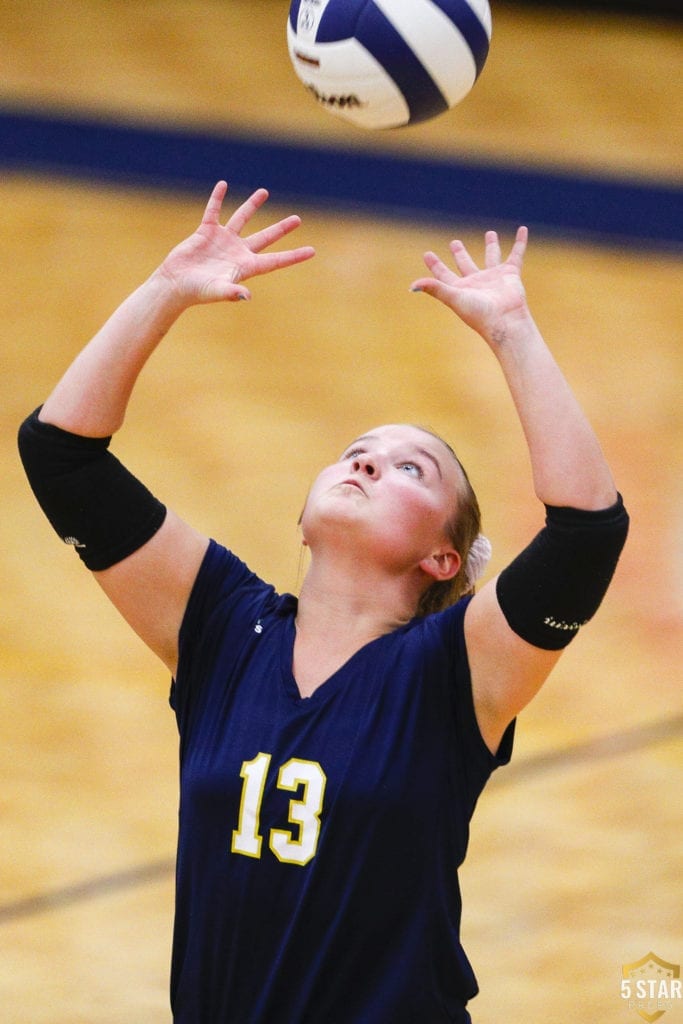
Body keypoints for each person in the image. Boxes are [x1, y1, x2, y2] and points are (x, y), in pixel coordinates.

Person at [18, 180, 628, 1023]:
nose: (369, 463)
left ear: (441, 555)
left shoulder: (451, 674)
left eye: (412, 468)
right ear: (301, 521)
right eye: (357, 451)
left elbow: (585, 536)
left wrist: (511, 332)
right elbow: (61, 456)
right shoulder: (225, 631)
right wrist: (164, 290)